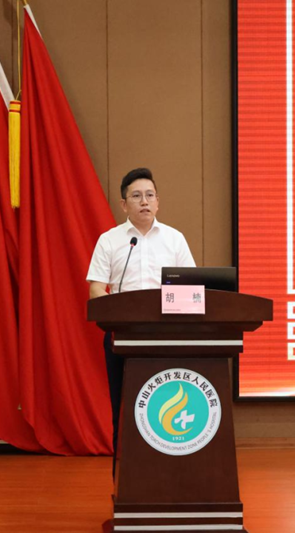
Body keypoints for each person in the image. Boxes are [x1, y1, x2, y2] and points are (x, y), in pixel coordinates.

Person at [86, 167, 195, 474]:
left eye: (149, 195)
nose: (144, 201)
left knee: (164, 406)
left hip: (167, 336)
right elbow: (96, 288)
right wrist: (117, 313)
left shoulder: (174, 239)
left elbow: (192, 286)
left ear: (158, 201)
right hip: (122, 336)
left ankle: (169, 475)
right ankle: (124, 479)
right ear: (124, 204)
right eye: (136, 196)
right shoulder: (109, 241)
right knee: (124, 408)